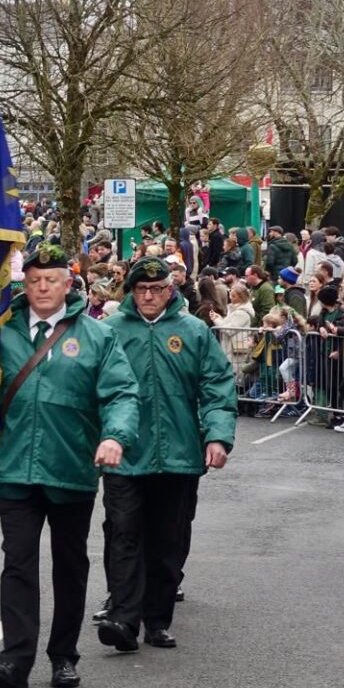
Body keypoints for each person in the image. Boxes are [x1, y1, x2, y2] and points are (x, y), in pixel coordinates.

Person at [0, 245, 140, 688]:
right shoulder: (1, 331)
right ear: (24, 285)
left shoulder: (97, 336)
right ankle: (15, 662)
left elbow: (121, 392)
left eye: (51, 280)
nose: (43, 287)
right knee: (18, 564)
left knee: (69, 566)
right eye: (34, 280)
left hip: (71, 467)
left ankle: (64, 654)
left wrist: (114, 436)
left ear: (69, 284)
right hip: (15, 469)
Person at [97, 256, 235, 651]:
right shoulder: (110, 331)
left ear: (170, 290)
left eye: (156, 289)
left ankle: (157, 620)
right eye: (141, 289)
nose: (149, 296)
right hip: (125, 453)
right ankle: (123, 618)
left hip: (178, 454)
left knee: (168, 539)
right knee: (123, 533)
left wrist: (217, 436)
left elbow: (216, 385)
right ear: (131, 291)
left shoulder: (193, 331)